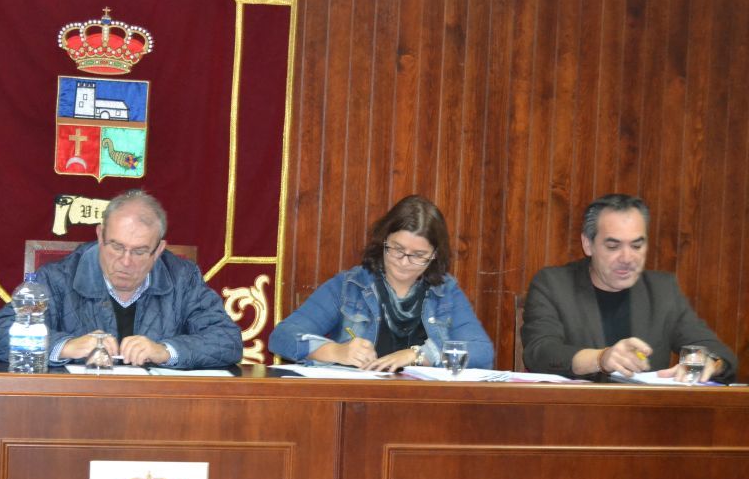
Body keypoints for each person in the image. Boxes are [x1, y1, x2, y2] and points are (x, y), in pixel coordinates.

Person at [0, 189, 243, 368]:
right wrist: (67, 346)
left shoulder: (183, 279)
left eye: (140, 251)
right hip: (75, 415)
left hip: (159, 415)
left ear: (159, 250)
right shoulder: (58, 278)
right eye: (116, 246)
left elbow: (227, 341)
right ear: (100, 236)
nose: (126, 261)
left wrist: (166, 351)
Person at [521, 193, 737, 382]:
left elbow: (718, 353)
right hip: (572, 417)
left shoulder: (662, 290)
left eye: (637, 245)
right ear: (588, 244)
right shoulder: (554, 284)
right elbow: (540, 352)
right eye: (613, 246)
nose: (627, 258)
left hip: (645, 418)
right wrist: (600, 359)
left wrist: (709, 364)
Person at [268, 195, 494, 370]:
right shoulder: (349, 287)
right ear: (383, 241)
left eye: (418, 255)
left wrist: (417, 355)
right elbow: (282, 337)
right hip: (359, 404)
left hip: (429, 407)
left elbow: (482, 351)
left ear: (435, 254)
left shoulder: (446, 293)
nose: (404, 262)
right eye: (397, 249)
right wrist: (336, 351)